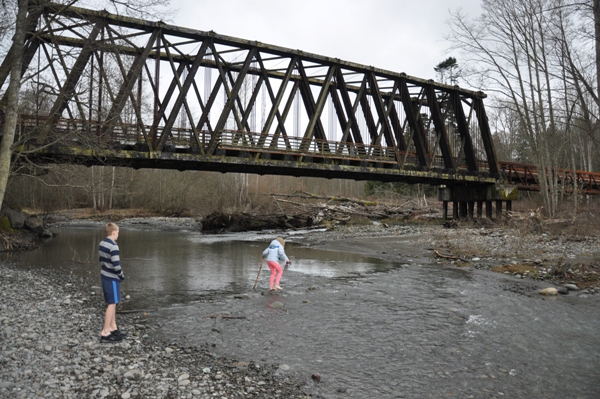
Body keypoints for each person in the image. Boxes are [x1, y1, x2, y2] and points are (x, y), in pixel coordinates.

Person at [98, 222, 126, 343]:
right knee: (112, 303)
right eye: (118, 232)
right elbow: (116, 264)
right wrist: (121, 275)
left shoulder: (102, 243)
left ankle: (113, 327)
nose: (118, 234)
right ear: (114, 232)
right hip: (112, 277)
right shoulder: (113, 246)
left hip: (104, 274)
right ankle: (105, 332)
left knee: (112, 302)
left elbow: (101, 260)